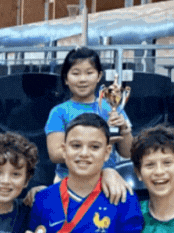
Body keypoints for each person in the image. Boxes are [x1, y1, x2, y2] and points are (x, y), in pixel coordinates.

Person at [44, 46, 132, 178]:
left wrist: (124, 129)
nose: (82, 79)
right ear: (66, 79)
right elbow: (55, 154)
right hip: (68, 181)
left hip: (106, 181)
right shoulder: (59, 112)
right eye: (76, 73)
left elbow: (128, 153)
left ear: (99, 76)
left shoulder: (112, 107)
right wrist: (99, 144)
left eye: (89, 73)